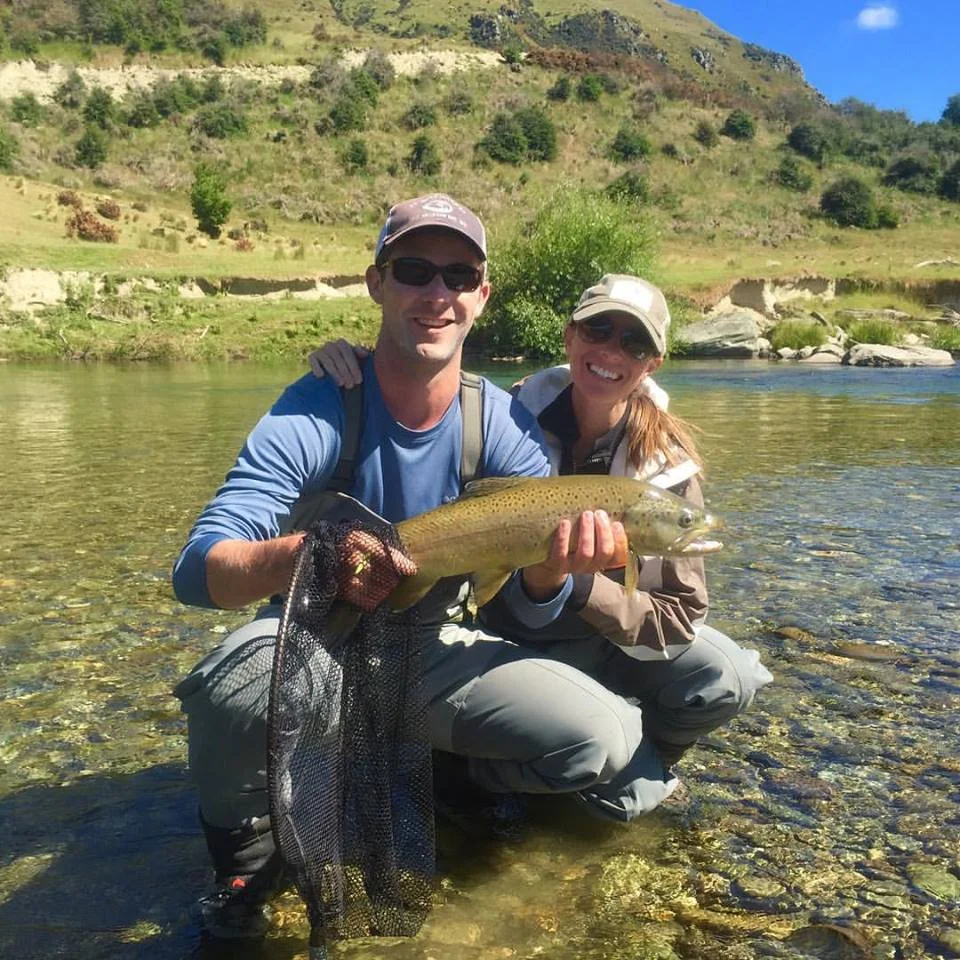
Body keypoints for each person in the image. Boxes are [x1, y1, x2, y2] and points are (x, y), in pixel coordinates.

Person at [172, 195, 651, 941]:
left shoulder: (503, 426)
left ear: (482, 296)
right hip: (314, 639)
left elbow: (522, 615)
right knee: (233, 692)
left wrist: (551, 574)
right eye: (415, 270)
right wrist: (303, 558)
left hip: (428, 650)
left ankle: (452, 779)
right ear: (377, 283)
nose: (437, 294)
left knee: (605, 734)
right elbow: (197, 570)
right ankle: (247, 855)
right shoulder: (317, 407)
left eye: (459, 275)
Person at [309, 273, 773, 813]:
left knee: (727, 676)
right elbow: (422, 385)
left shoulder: (667, 472)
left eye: (634, 342)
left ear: (654, 363)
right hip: (503, 639)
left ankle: (640, 759)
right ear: (570, 336)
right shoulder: (503, 415)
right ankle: (476, 769)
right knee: (615, 777)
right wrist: (356, 364)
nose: (610, 351)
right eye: (598, 330)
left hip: (606, 641)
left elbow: (677, 621)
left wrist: (575, 585)